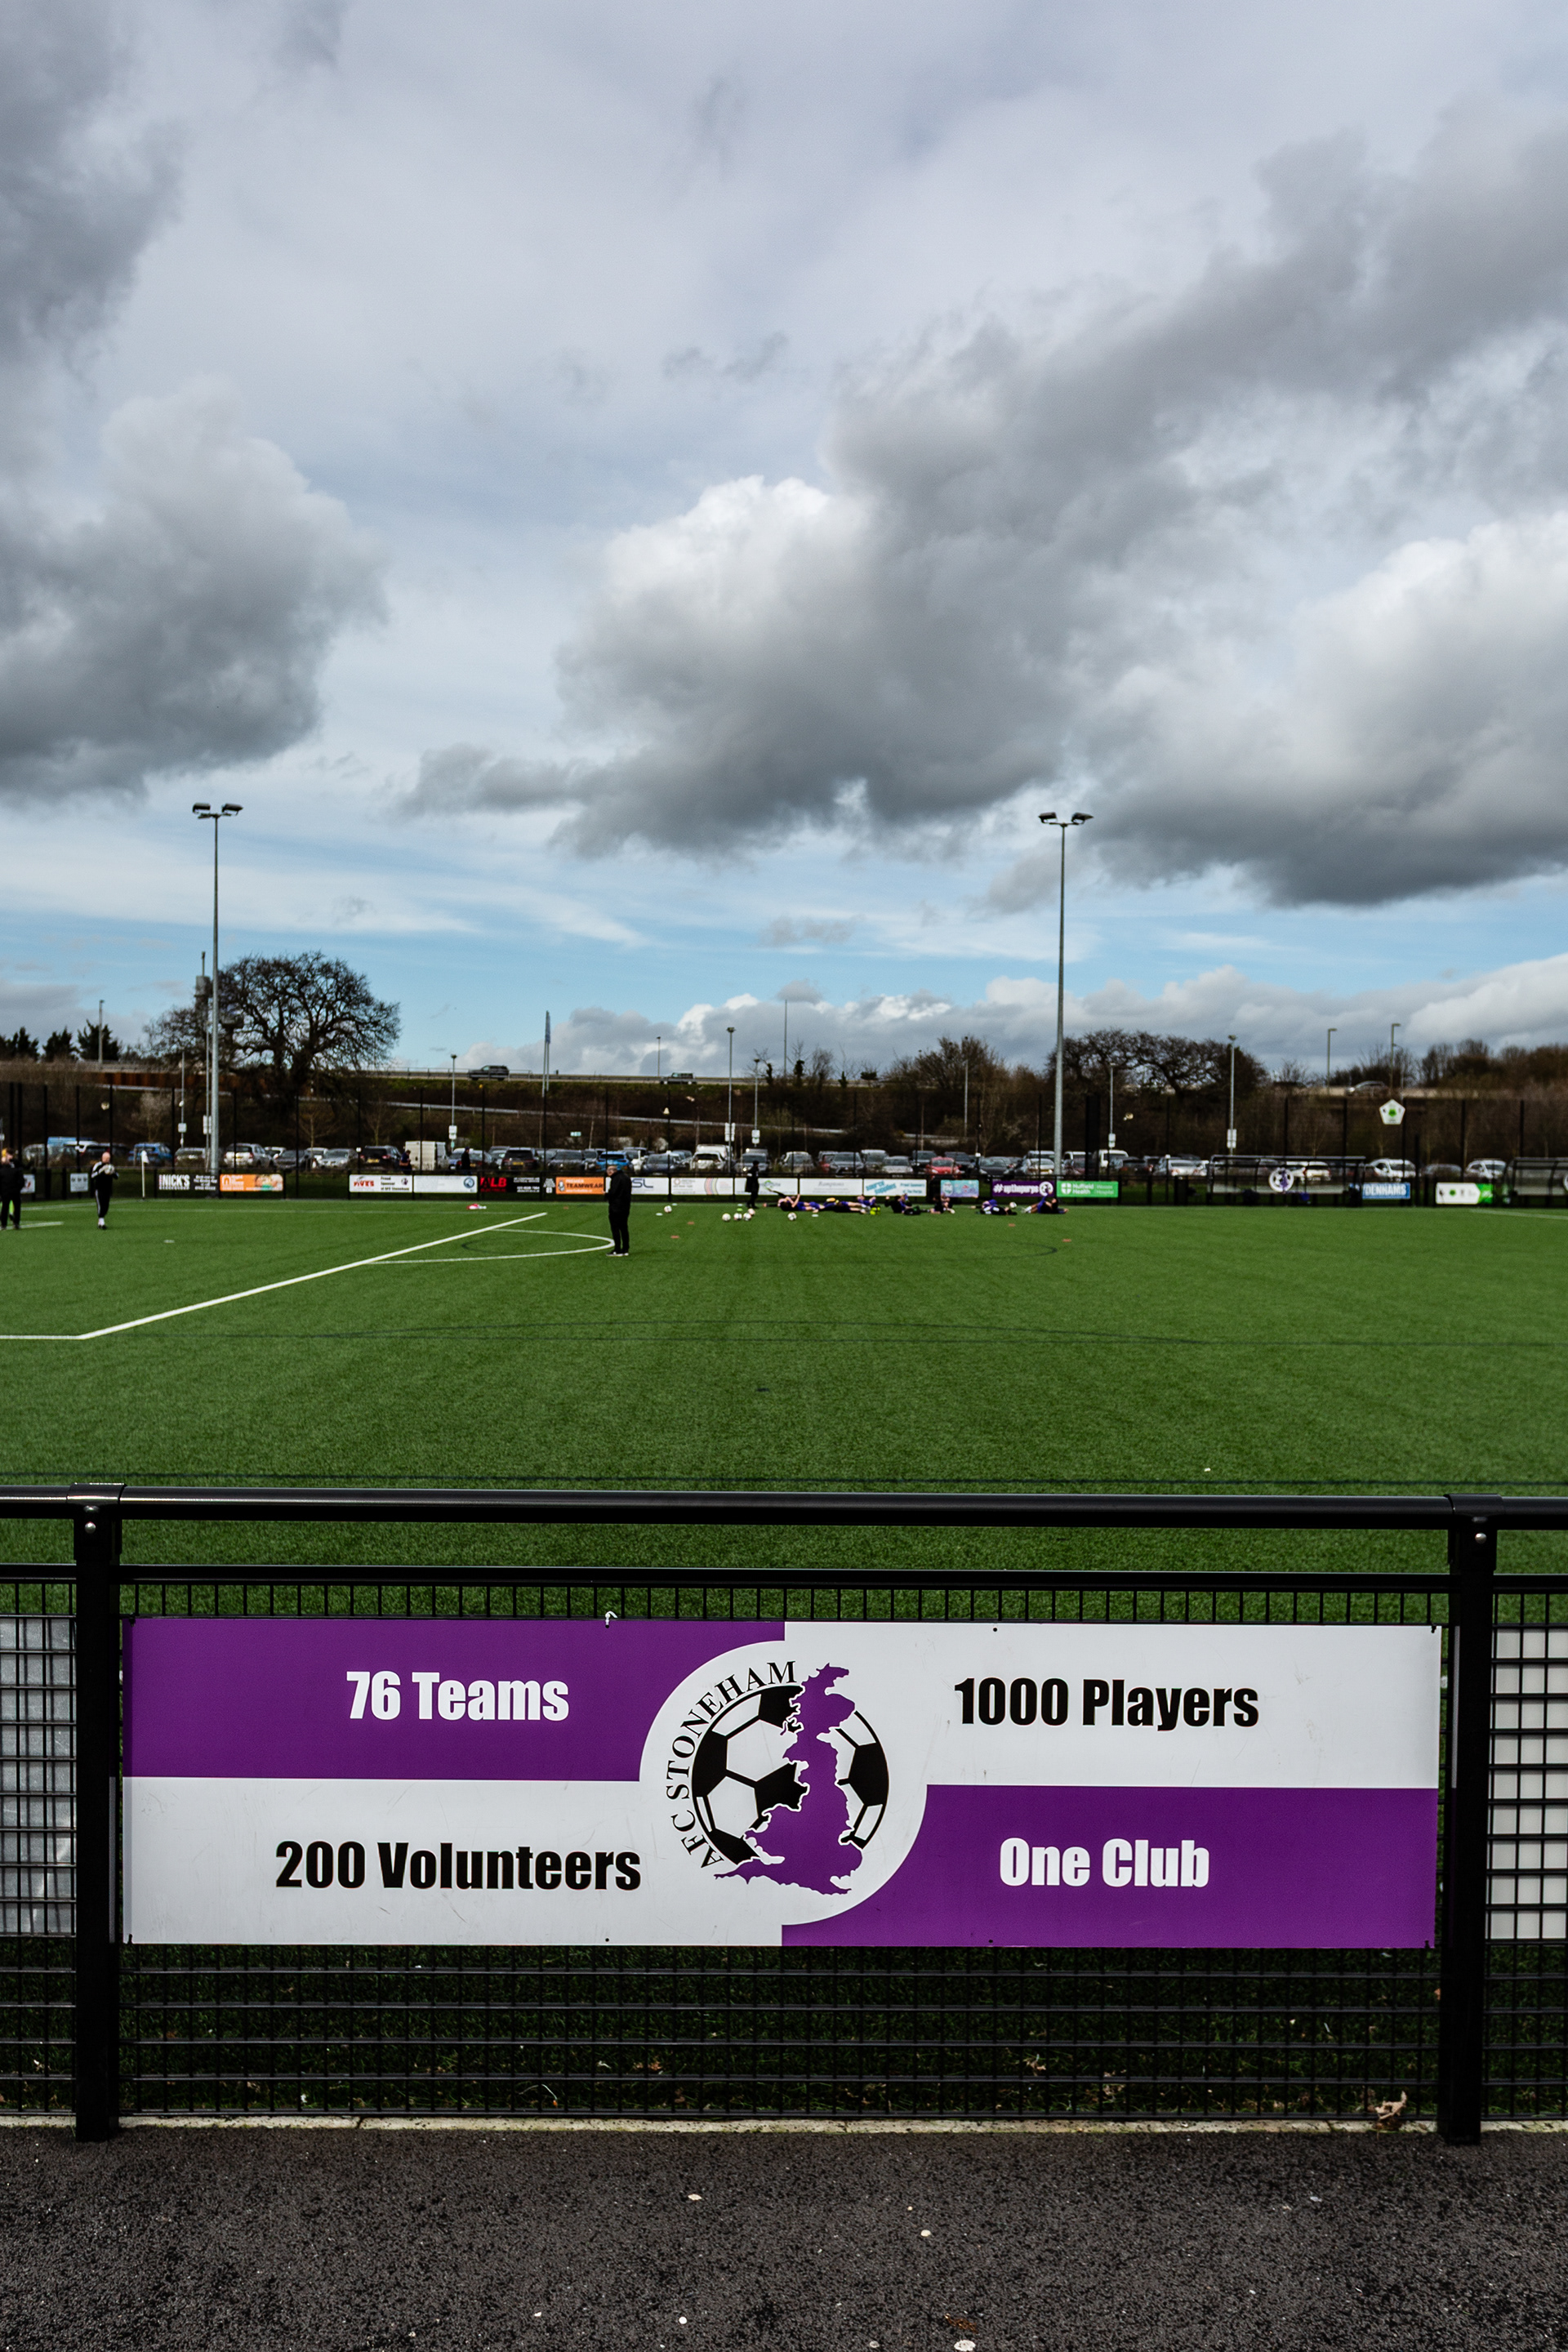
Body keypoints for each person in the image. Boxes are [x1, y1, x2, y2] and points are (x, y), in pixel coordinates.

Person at [607, 1161, 633, 1257]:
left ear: (611, 1171)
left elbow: (614, 1193)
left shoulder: (615, 1179)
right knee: (624, 1228)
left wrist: (606, 1195)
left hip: (616, 1207)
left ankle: (617, 1249)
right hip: (626, 1207)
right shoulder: (626, 1177)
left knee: (615, 1229)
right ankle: (625, 1249)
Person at [88, 1148, 116, 1228]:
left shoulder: (111, 1166)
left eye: (109, 1158)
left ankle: (100, 1222)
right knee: (101, 1205)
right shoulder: (98, 1165)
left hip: (108, 1189)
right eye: (106, 1158)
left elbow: (117, 1176)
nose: (107, 1160)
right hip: (99, 1189)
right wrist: (101, 1171)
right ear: (102, 1158)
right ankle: (102, 1223)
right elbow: (92, 1176)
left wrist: (112, 1172)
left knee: (106, 1206)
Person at [0, 1148, 20, 1229]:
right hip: (14, 1191)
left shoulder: (2, 1171)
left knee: (5, 1207)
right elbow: (20, 1181)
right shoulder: (15, 1170)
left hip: (5, 1191)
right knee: (16, 1206)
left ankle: (4, 1224)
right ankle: (16, 1222)